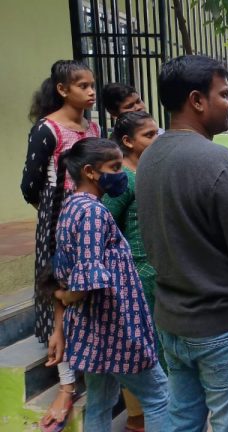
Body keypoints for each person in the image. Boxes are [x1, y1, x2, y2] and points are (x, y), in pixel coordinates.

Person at [136, 55, 228, 431]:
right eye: (225, 94)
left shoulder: (149, 158)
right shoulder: (219, 162)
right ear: (197, 100)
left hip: (174, 322)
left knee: (182, 422)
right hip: (226, 326)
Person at [49, 137, 169, 431]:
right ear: (90, 172)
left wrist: (64, 312)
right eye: (114, 167)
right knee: (159, 397)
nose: (121, 174)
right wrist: (68, 297)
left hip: (92, 330)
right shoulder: (93, 212)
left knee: (100, 402)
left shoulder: (71, 207)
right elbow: (87, 275)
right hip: (116, 328)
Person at [21, 59, 100, 432]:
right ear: (62, 90)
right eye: (83, 86)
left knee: (86, 292)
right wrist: (57, 215)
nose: (91, 91)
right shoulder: (47, 130)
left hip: (92, 220)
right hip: (57, 222)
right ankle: (66, 383)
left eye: (92, 85)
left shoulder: (92, 126)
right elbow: (30, 185)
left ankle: (91, 364)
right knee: (61, 295)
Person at [103, 111, 162, 431]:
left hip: (156, 272)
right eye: (148, 135)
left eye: (156, 133)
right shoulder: (123, 180)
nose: (156, 139)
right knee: (146, 348)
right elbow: (104, 226)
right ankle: (138, 418)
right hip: (136, 276)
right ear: (127, 141)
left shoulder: (149, 172)